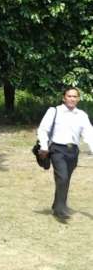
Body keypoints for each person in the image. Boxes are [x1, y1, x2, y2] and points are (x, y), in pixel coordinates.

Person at [37, 87, 93, 220]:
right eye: (69, 96)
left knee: (65, 178)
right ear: (64, 98)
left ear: (78, 99)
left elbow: (89, 134)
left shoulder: (82, 115)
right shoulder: (54, 111)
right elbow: (43, 129)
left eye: (75, 96)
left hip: (73, 151)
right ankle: (60, 210)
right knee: (62, 177)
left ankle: (57, 205)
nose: (72, 99)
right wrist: (44, 146)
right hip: (57, 149)